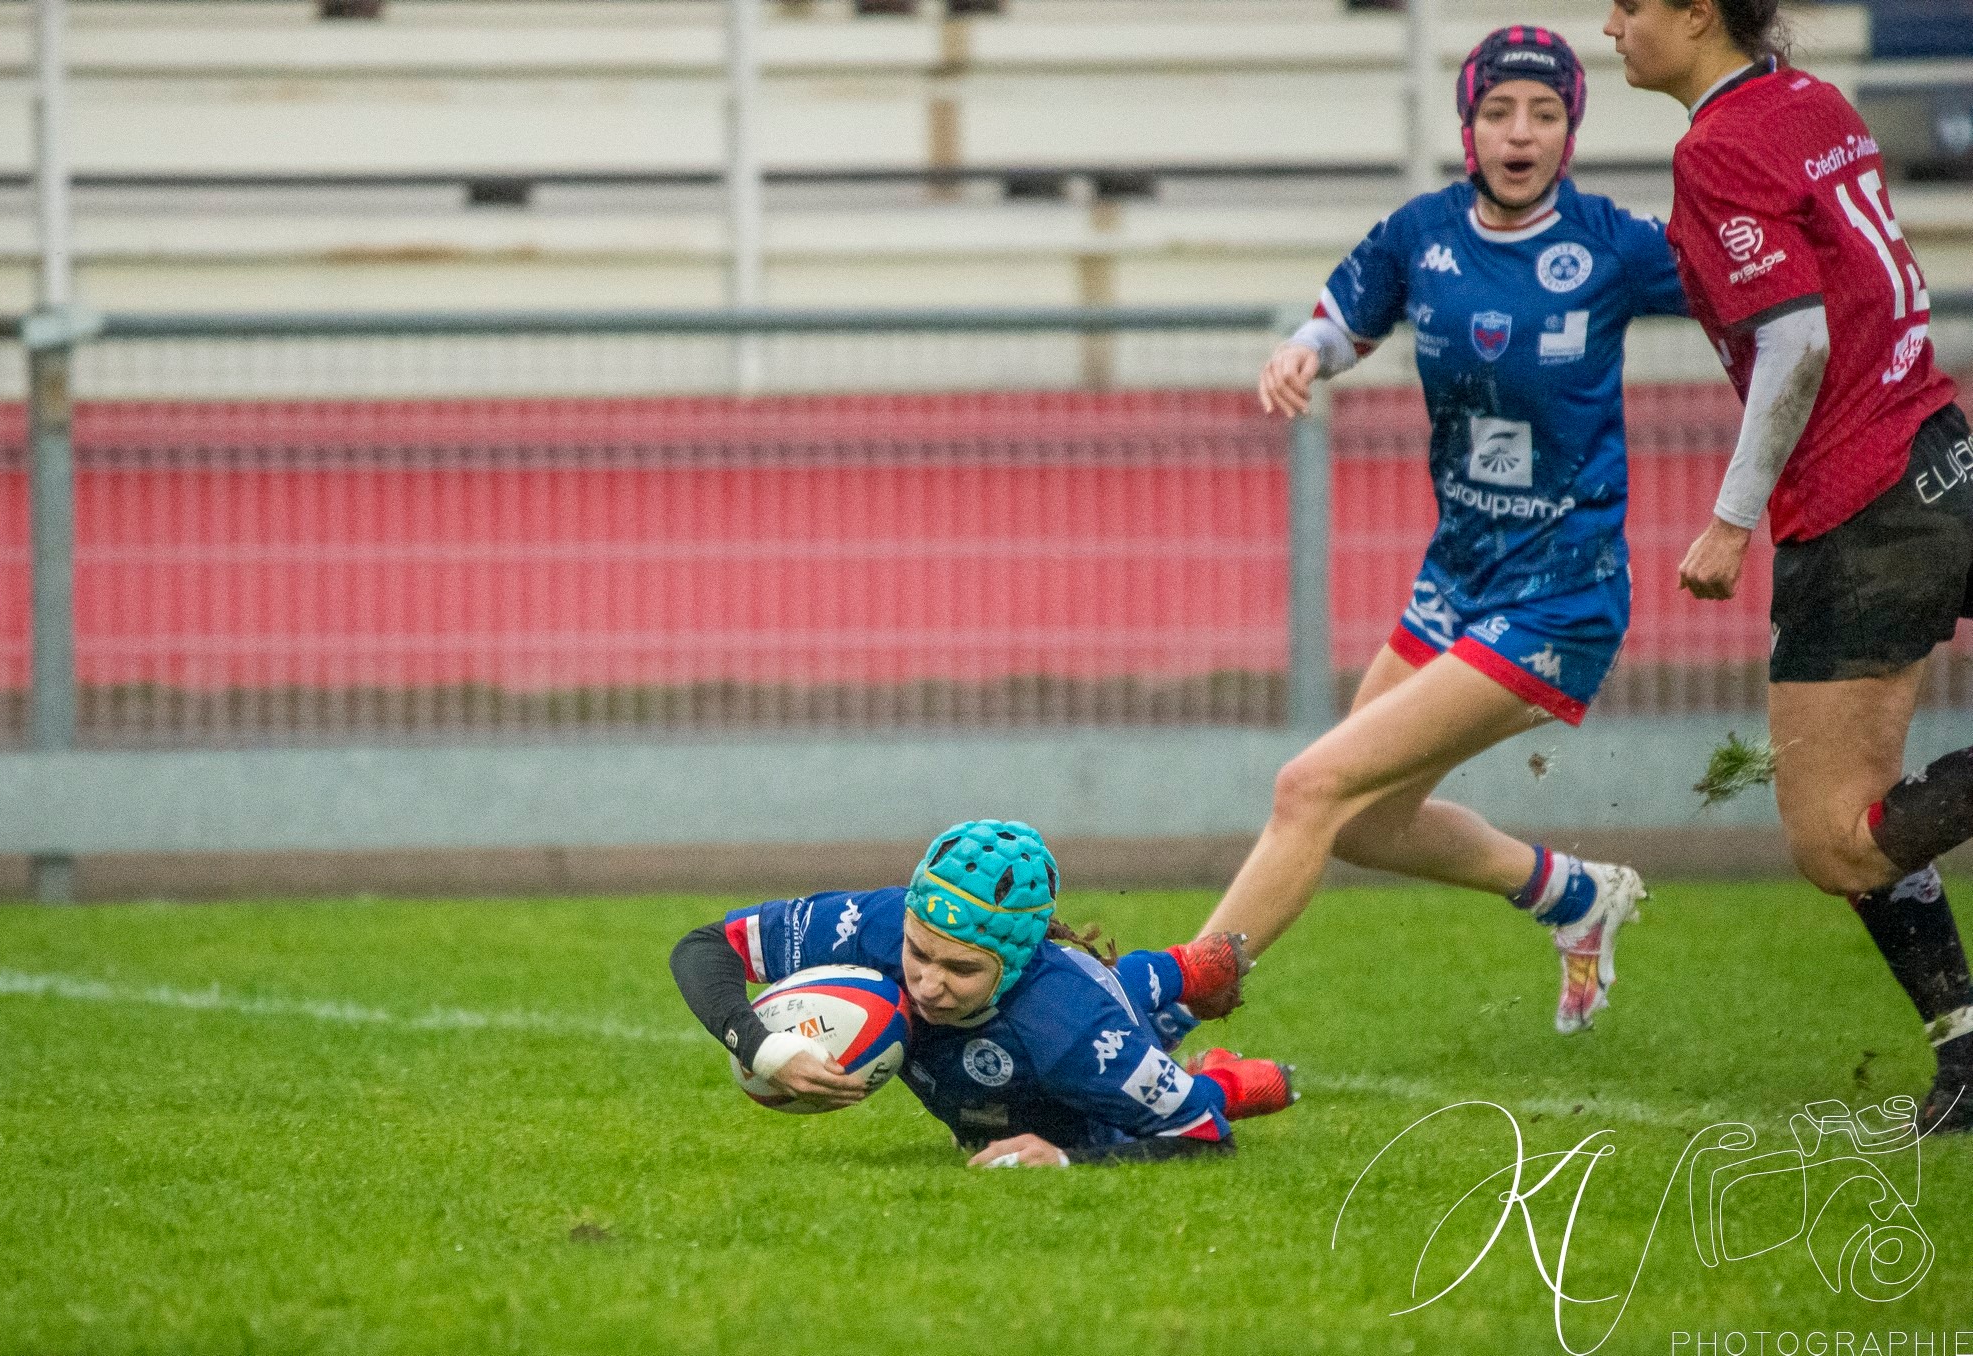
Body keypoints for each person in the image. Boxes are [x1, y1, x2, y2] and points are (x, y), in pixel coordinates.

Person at [1193, 28, 1687, 1035]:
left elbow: (1761, 301)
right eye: (1498, 112)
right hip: (1454, 580)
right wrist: (1302, 351)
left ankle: (1166, 1007)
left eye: (1543, 114)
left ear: (1570, 131)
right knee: (1363, 823)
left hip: (1561, 594)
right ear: (1468, 129)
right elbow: (1341, 320)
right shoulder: (1421, 233)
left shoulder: (1613, 243)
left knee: (1309, 786)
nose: (1520, 134)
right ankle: (1573, 893)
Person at [1607, 0, 1973, 1131]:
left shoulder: (1716, 147)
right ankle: (1966, 1052)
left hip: (1862, 500)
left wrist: (1730, 519)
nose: (1611, 25)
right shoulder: (1808, 100)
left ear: (1695, 14)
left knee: (1834, 842)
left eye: (1629, 4)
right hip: (1939, 449)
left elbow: (1798, 334)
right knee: (1868, 816)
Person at [669, 819, 1297, 1165]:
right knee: (1108, 995)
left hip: (1079, 1058)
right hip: (1047, 1013)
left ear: (1013, 964)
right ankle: (1184, 969)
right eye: (919, 953)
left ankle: (1228, 1075)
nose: (927, 983)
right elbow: (706, 946)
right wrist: (763, 1046)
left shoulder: (1070, 1029)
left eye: (961, 969)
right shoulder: (877, 925)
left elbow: (1205, 1137)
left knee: (1141, 1036)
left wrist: (1065, 1162)